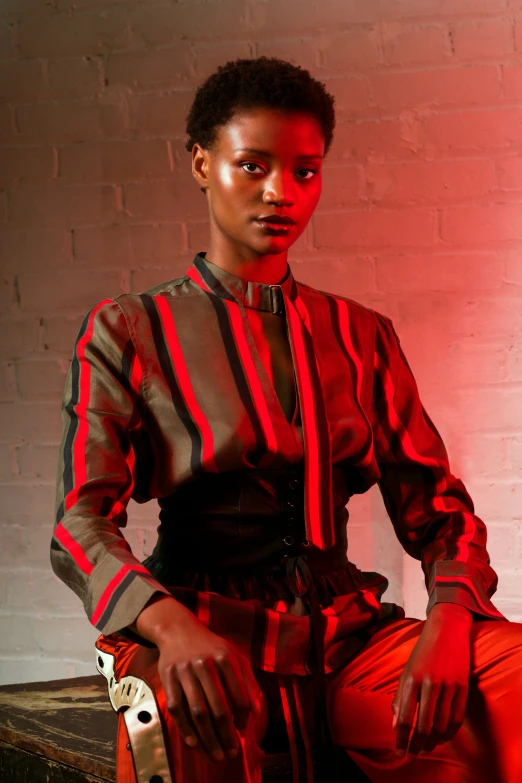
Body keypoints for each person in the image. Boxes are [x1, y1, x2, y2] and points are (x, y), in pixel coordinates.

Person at [51, 56, 522, 783]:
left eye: (306, 171)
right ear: (203, 164)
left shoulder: (362, 334)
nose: (282, 193)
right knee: (183, 719)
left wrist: (451, 621)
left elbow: (441, 511)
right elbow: (78, 524)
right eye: (253, 165)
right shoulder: (128, 329)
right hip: (202, 628)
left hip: (348, 636)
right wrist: (169, 625)